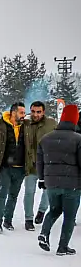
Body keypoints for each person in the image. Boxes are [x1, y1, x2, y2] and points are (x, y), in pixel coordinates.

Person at [37, 105, 81, 256]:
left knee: (54, 210)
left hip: (51, 184)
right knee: (69, 216)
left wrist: (41, 179)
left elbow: (40, 162)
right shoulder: (78, 139)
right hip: (73, 185)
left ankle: (44, 233)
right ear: (75, 120)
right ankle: (63, 247)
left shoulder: (46, 138)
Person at [0, 102, 33, 233]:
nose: (24, 115)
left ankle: (8, 220)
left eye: (24, 113)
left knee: (13, 195)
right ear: (13, 112)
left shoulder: (27, 126)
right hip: (5, 167)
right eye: (21, 112)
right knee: (2, 194)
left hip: (21, 167)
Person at [25, 101, 57, 229]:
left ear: (43, 112)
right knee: (29, 192)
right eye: (33, 111)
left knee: (48, 191)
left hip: (47, 164)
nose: (35, 114)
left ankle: (42, 211)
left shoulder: (52, 123)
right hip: (31, 164)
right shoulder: (25, 123)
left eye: (38, 112)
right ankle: (28, 219)